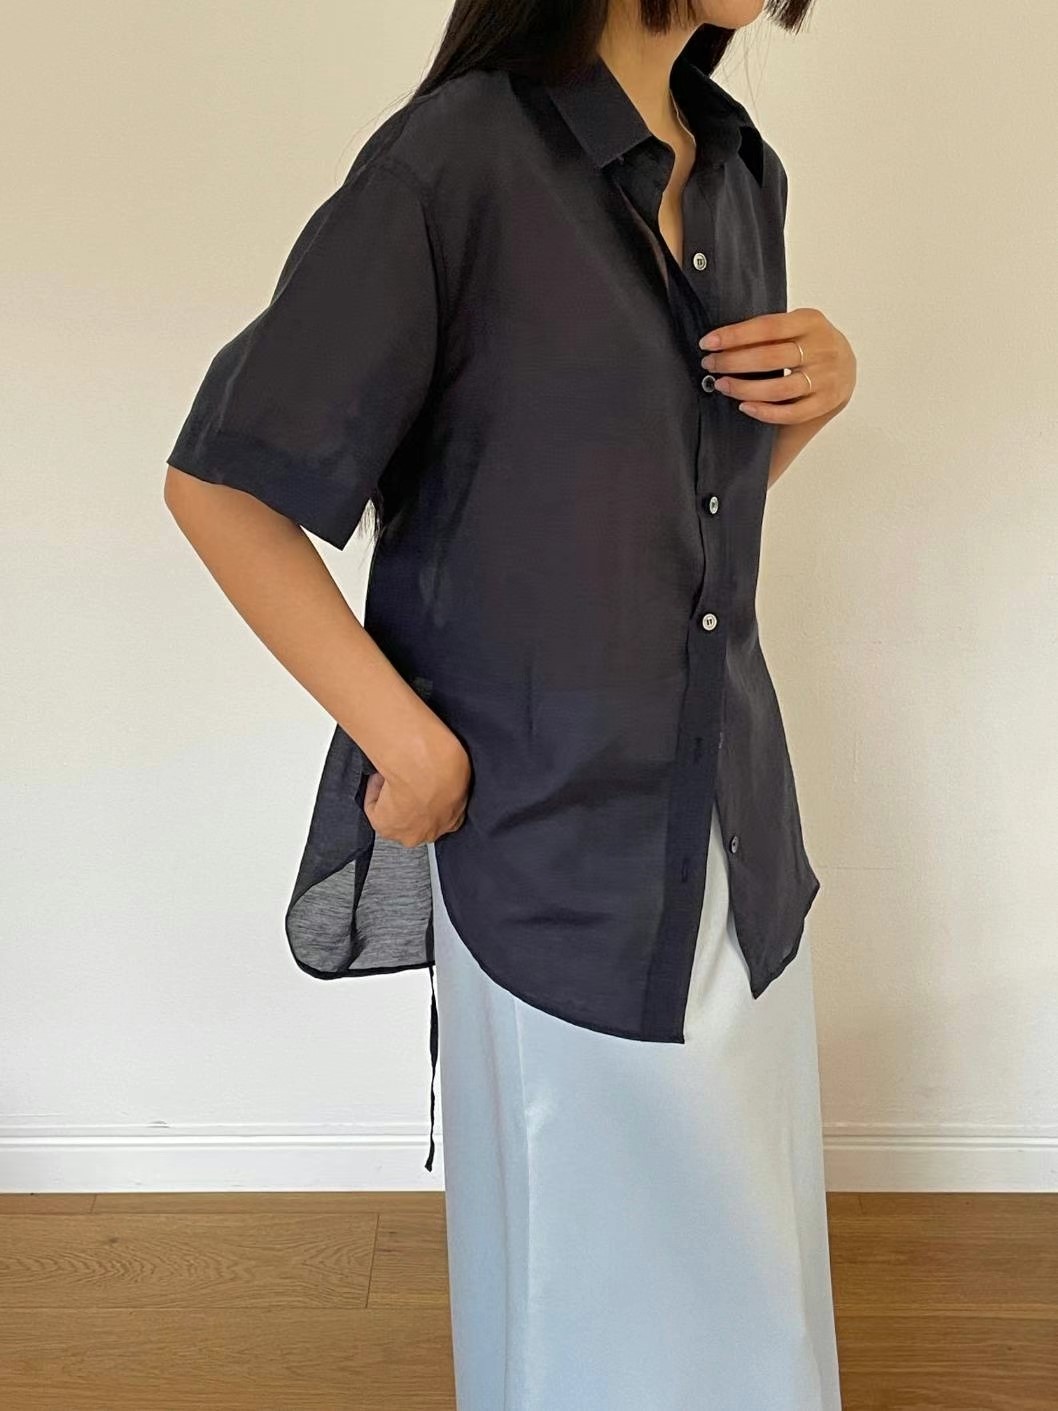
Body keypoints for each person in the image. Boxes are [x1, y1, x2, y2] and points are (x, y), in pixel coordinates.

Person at [164, 0, 856, 1406]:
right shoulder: (458, 161)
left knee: (747, 1256)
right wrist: (403, 740)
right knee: (588, 1281)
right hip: (545, 827)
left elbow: (671, 508)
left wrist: (806, 408)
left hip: (725, 803)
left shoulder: (736, 170)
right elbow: (221, 486)